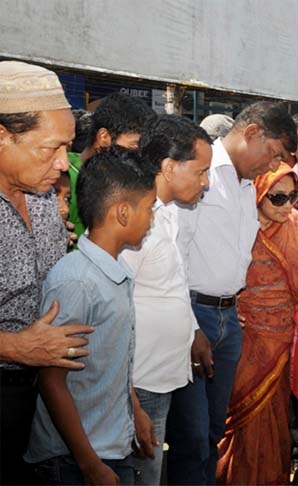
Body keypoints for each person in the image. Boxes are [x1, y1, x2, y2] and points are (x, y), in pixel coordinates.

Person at [167, 100, 297, 485]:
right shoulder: (203, 174)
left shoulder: (244, 186)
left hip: (228, 317)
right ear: (252, 133)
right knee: (191, 437)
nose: (273, 166)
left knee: (211, 432)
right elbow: (174, 256)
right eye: (273, 154)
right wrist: (190, 328)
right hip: (194, 315)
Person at [25, 148, 157, 485]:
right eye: (149, 210)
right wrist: (88, 464)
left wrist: (136, 412)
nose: (152, 219)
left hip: (110, 446)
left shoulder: (115, 271)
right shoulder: (77, 281)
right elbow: (52, 381)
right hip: (76, 459)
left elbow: (111, 361)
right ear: (123, 213)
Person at [0, 60, 94, 485]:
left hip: (38, 395)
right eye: (50, 149)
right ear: (2, 137)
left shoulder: (41, 195)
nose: (63, 164)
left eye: (68, 147)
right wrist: (16, 347)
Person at [120, 115, 213, 485]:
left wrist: (193, 330)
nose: (205, 182)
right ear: (169, 167)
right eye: (201, 171)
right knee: (143, 473)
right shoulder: (133, 219)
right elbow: (116, 308)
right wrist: (131, 400)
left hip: (169, 372)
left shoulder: (170, 213)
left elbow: (171, 286)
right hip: (141, 381)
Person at [217, 163, 298, 484]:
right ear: (257, 194)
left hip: (282, 338)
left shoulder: (296, 224)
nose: (287, 206)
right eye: (278, 198)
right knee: (243, 418)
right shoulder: (238, 224)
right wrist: (229, 307)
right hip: (245, 338)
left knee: (275, 418)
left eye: (293, 197)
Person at [68, 93, 155, 240]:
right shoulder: (62, 179)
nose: (139, 155)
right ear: (104, 137)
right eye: (134, 145)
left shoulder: (123, 181)